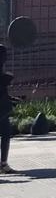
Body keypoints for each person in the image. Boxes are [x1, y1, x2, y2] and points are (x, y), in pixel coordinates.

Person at [0, 43, 20, 175]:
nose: (5, 57)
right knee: (5, 134)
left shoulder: (1, 69)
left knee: (6, 134)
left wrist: (11, 98)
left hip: (3, 108)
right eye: (3, 55)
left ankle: (3, 164)